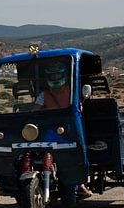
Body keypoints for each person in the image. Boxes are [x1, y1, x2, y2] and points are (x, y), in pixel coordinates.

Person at [35, 60, 92, 197]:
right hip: (50, 129)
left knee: (77, 153)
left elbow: (79, 107)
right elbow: (35, 111)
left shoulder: (72, 91)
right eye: (52, 76)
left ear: (63, 76)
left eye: (57, 75)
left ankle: (80, 183)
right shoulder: (43, 95)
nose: (55, 78)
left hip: (69, 128)